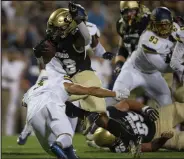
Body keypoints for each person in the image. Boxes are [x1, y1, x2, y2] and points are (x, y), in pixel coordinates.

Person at [20, 62, 134, 159]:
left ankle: (70, 155)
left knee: (51, 150)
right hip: (51, 105)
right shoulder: (63, 82)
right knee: (66, 137)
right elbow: (91, 90)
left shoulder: (37, 86)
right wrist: (114, 94)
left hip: (32, 115)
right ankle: (60, 145)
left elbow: (23, 102)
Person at [113, 7, 180, 107]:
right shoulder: (147, 39)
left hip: (153, 73)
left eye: (167, 25)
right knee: (118, 95)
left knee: (166, 102)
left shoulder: (175, 27)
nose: (165, 28)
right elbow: (163, 67)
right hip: (135, 69)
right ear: (153, 25)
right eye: (161, 26)